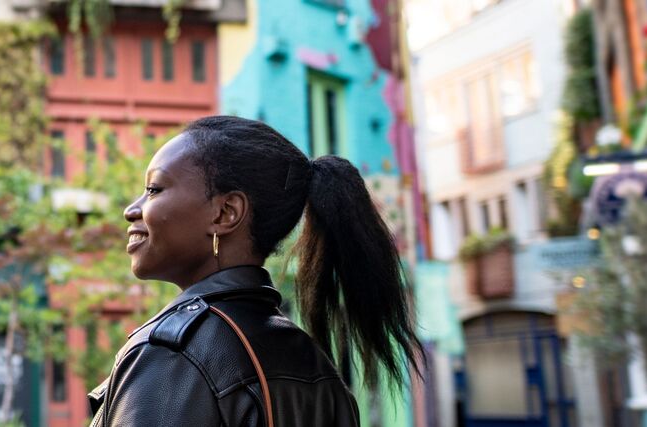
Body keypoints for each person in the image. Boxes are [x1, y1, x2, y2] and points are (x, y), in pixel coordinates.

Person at [87, 116, 420, 426]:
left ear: (225, 213)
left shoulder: (172, 354)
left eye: (155, 189)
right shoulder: (318, 369)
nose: (132, 210)